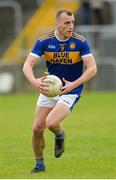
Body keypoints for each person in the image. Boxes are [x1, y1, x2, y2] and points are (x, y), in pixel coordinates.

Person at [23, 9, 97, 173]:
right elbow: (27, 65)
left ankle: (60, 135)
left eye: (72, 23)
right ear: (57, 23)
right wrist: (34, 81)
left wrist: (73, 84)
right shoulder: (44, 41)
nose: (71, 26)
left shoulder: (80, 42)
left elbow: (92, 68)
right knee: (37, 128)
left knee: (52, 123)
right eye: (66, 23)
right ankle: (39, 166)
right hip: (50, 89)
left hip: (71, 90)